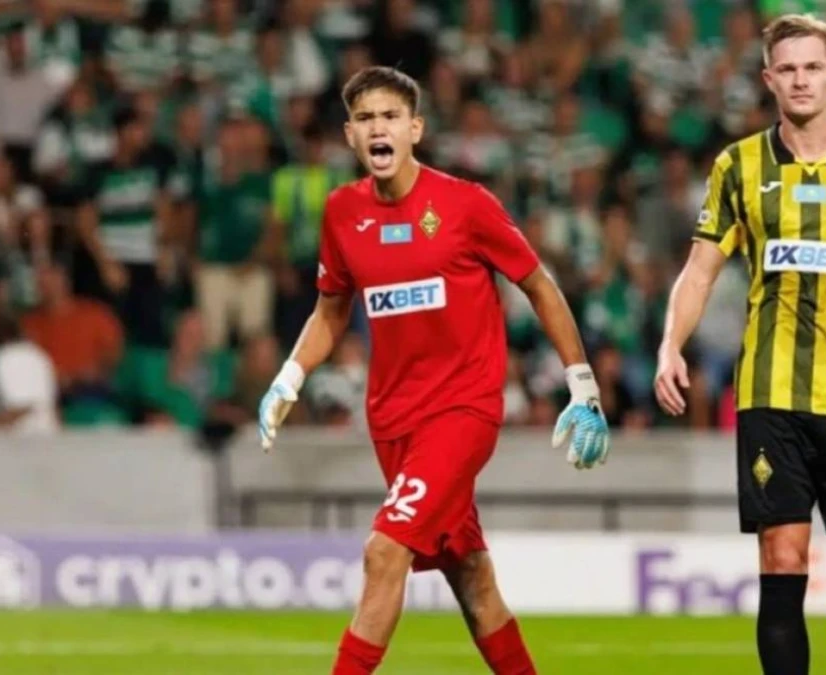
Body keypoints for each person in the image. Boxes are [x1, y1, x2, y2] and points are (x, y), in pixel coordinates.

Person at [257, 66, 611, 675]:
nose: (378, 128)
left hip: (463, 411)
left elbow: (539, 285)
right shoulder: (342, 212)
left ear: (415, 129)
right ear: (349, 135)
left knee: (383, 551)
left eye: (390, 117)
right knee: (471, 577)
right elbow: (331, 309)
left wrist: (582, 386)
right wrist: (289, 377)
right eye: (365, 119)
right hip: (393, 421)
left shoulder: (465, 205)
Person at [653, 15, 826, 675]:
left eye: (812, 68)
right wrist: (670, 345)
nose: (801, 80)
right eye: (788, 69)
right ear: (769, 79)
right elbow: (700, 269)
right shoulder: (739, 166)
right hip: (770, 395)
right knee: (782, 556)